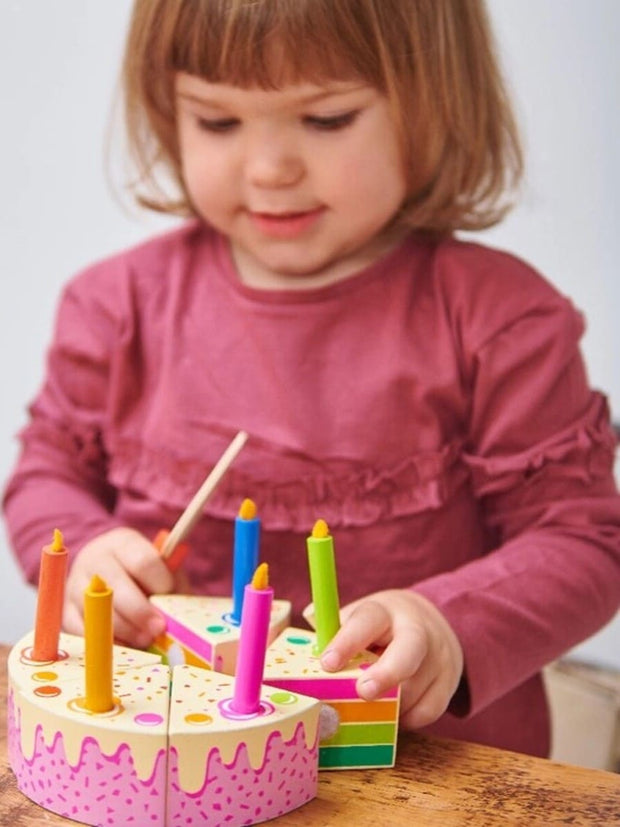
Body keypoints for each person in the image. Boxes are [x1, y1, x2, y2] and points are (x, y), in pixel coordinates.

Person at [3, 0, 619, 759]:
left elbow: (582, 539)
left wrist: (449, 621)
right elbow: (46, 474)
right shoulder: (114, 307)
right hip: (176, 769)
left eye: (326, 119)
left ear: (433, 102)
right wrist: (89, 550)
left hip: (425, 777)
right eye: (217, 123)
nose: (268, 169)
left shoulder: (501, 321)